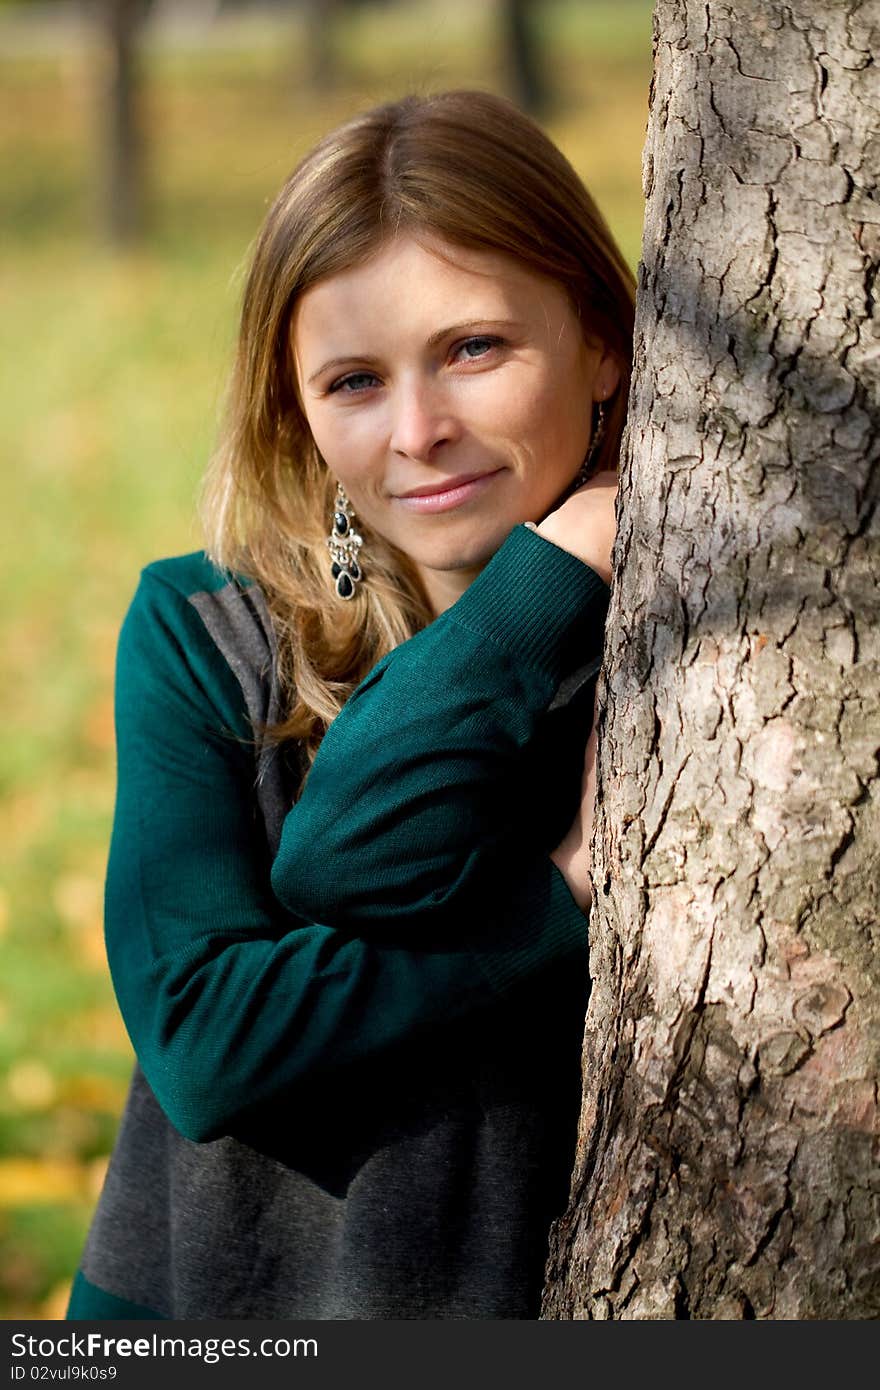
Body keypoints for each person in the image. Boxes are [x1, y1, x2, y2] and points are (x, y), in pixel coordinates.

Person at [66, 88, 635, 1321]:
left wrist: (569, 575)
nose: (420, 431)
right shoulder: (203, 632)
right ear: (298, 407)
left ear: (603, 339)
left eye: (473, 348)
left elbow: (337, 876)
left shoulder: (680, 662)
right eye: (354, 381)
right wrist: (547, 905)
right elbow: (212, 1037)